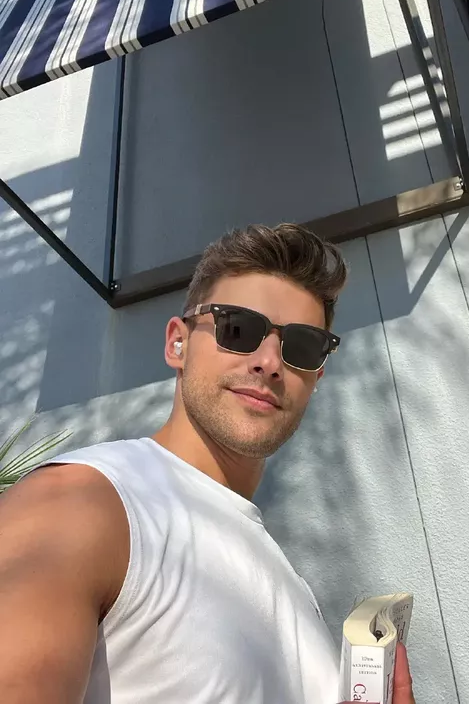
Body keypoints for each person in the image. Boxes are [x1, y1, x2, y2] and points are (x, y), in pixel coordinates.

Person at [0, 223, 415, 704]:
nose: (269, 362)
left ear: (316, 376)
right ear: (177, 343)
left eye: (301, 346)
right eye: (238, 328)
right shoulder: (80, 503)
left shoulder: (292, 590)